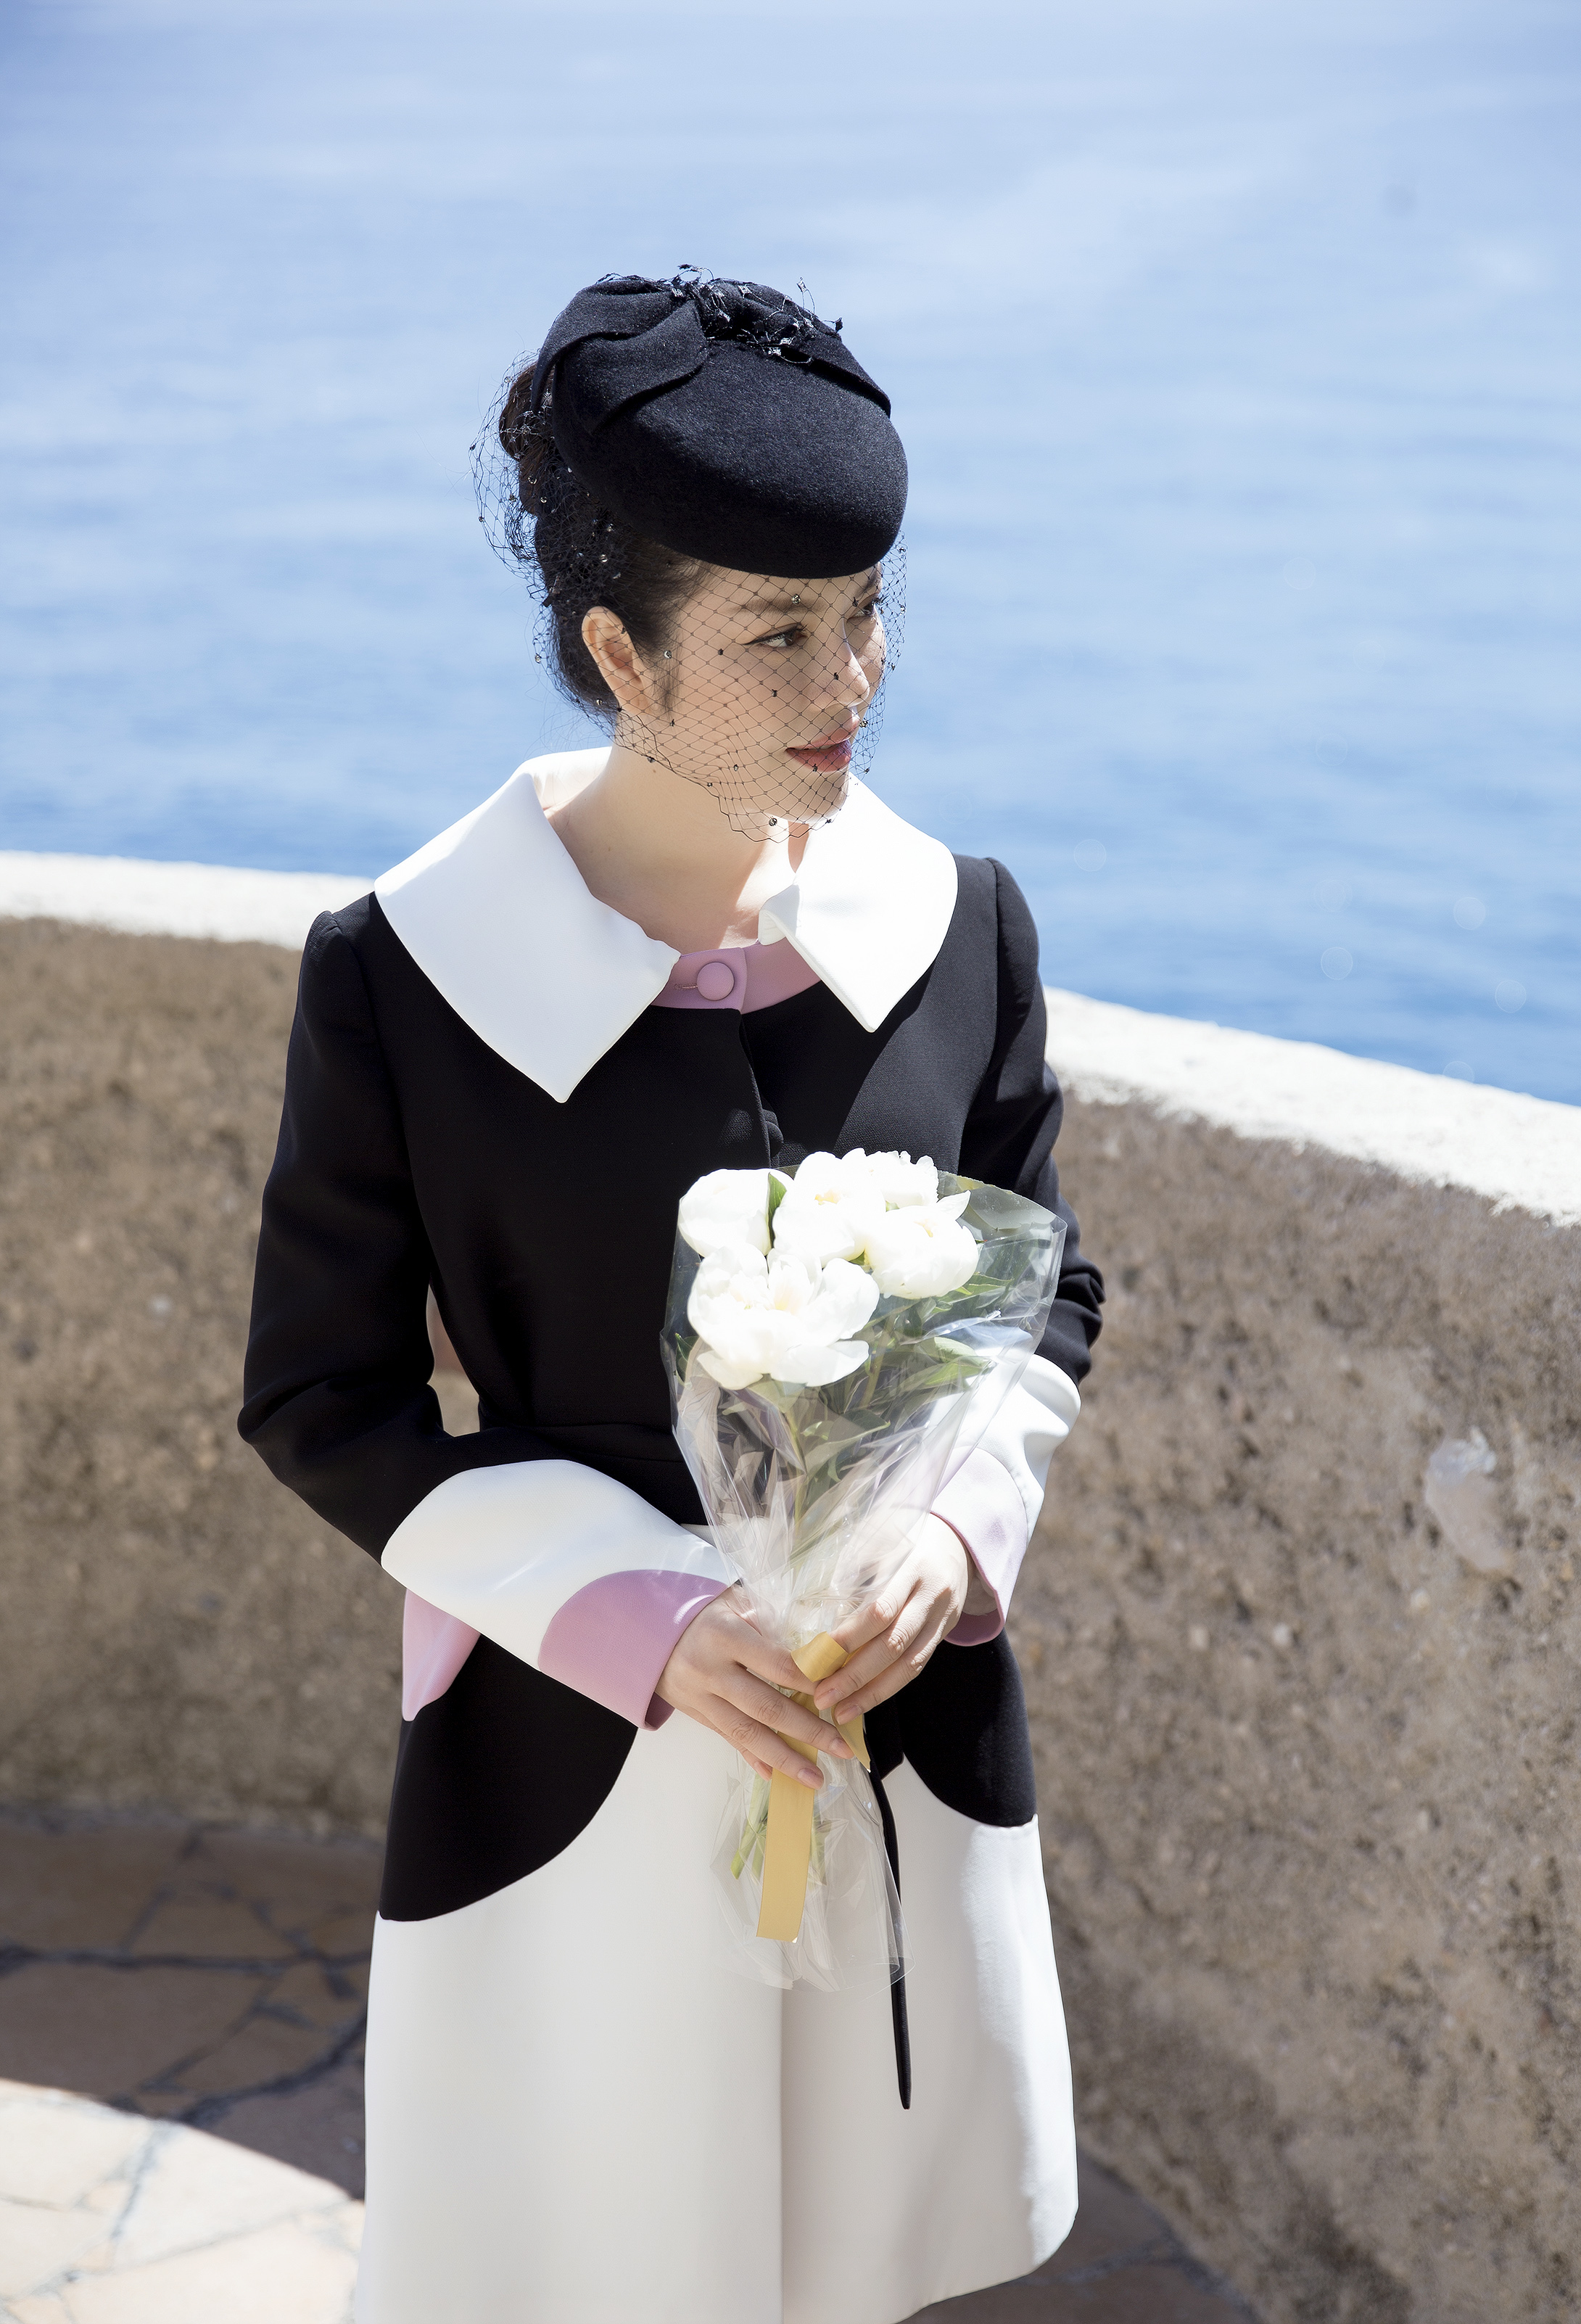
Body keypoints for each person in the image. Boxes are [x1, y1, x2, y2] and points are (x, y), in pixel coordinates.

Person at [240, 268, 1104, 2324]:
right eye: (778, 634)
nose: (852, 679)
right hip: (573, 1754)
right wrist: (643, 1617)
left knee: (869, 2248)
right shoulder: (403, 976)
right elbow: (322, 1399)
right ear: (616, 652)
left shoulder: (960, 923)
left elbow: (1046, 1289)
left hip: (896, 1725)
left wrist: (956, 1535)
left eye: (870, 612)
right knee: (599, 2253)